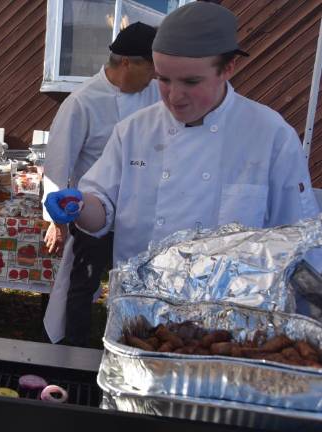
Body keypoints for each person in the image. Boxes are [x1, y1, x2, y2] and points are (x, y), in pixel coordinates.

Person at [45, 3, 319, 275]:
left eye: (191, 82)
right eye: (163, 80)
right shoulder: (134, 130)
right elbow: (102, 208)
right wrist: (80, 205)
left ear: (228, 68)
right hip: (140, 303)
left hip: (232, 309)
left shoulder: (270, 135)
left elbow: (298, 237)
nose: (174, 96)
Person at [42, 22, 160, 347]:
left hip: (140, 211)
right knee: (82, 285)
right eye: (150, 70)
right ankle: (73, 349)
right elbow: (58, 162)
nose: (154, 78)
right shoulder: (82, 102)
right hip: (91, 211)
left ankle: (134, 345)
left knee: (140, 285)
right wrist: (56, 220)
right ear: (126, 63)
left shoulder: (156, 95)